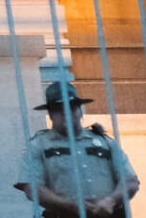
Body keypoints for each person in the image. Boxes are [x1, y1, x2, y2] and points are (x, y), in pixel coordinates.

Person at [17, 80, 137, 217]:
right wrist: (70, 206)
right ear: (50, 115)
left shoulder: (105, 142)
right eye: (59, 109)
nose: (66, 113)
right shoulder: (38, 145)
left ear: (80, 111)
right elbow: (33, 189)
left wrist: (110, 201)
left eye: (72, 107)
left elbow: (130, 181)